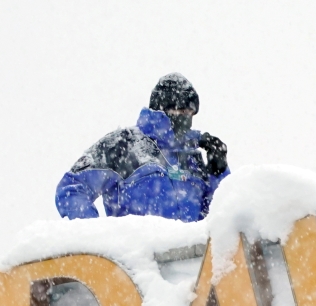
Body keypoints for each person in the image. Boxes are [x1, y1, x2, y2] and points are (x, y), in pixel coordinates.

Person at [55, 73, 229, 222]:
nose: (186, 119)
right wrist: (97, 240)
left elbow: (218, 216)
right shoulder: (123, 144)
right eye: (181, 112)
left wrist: (219, 172)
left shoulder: (192, 158)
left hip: (190, 259)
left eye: (190, 114)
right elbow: (71, 189)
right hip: (139, 258)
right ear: (163, 109)